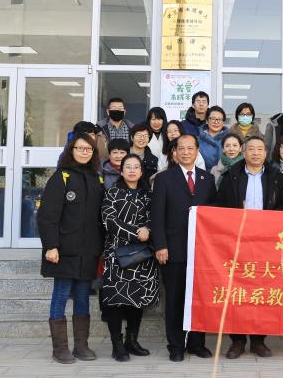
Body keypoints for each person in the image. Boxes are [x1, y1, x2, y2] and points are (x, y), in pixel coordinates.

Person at [215, 135, 283, 359]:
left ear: (266, 153)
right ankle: (237, 341)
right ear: (243, 152)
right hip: (237, 242)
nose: (256, 153)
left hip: (267, 243)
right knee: (236, 291)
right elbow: (220, 208)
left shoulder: (275, 177)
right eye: (251, 149)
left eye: (260, 149)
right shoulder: (231, 176)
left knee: (262, 291)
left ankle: (258, 340)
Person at [38, 133, 105, 364]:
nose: (84, 152)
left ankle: (81, 346)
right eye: (80, 148)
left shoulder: (97, 179)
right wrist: (51, 246)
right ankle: (60, 349)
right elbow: (47, 216)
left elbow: (101, 217)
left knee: (83, 297)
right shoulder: (61, 177)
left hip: (89, 250)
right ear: (71, 150)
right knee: (60, 295)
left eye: (89, 149)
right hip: (64, 250)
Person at [150, 134, 216, 362]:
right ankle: (176, 346)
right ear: (174, 152)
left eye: (190, 148)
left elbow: (214, 214)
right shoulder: (163, 179)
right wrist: (160, 245)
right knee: (175, 300)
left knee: (199, 299)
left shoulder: (208, 179)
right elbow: (157, 215)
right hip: (173, 249)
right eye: (181, 148)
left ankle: (197, 343)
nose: (186, 152)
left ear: (197, 151)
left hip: (201, 251)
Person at [100, 154, 159, 362]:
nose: (132, 170)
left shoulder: (148, 195)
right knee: (116, 300)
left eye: (136, 167)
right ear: (121, 170)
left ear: (141, 172)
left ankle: (131, 341)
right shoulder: (112, 192)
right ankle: (117, 344)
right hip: (117, 254)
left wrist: (148, 228)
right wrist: (136, 232)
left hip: (142, 255)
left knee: (137, 299)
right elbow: (109, 221)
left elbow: (156, 217)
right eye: (128, 167)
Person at [198, 105, 230, 171]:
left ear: (223, 122)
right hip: (203, 175)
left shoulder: (230, 139)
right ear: (207, 120)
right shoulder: (197, 140)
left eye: (219, 119)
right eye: (213, 119)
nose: (216, 122)